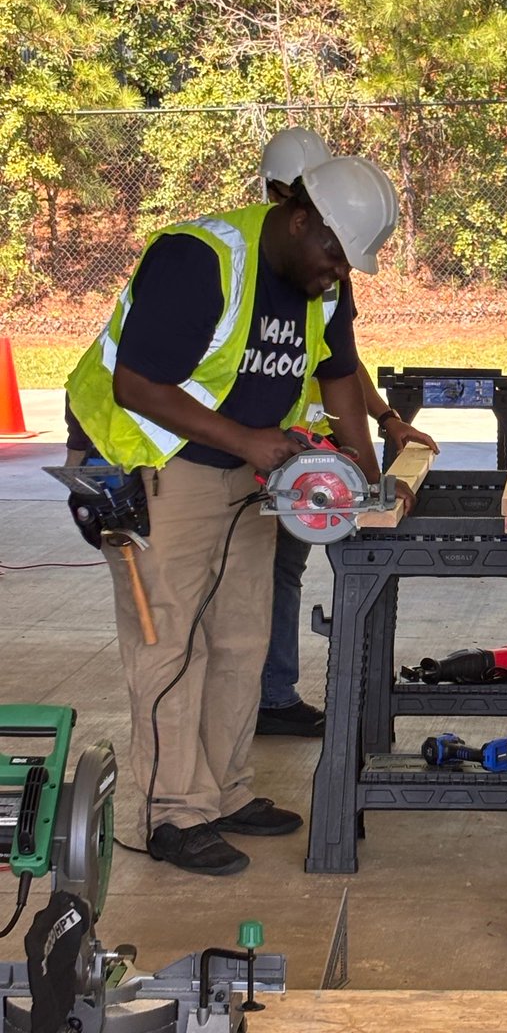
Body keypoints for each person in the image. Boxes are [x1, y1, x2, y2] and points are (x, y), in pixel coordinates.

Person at [66, 154, 415, 877]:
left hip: (248, 474)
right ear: (298, 218)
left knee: (239, 639)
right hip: (159, 468)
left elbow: (339, 375)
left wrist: (371, 477)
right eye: (332, 253)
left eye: (350, 263)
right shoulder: (200, 258)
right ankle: (172, 814)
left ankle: (223, 793)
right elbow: (137, 384)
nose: (338, 272)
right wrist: (248, 441)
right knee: (170, 646)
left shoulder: (321, 288)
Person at [254, 128, 438, 736]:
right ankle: (268, 696)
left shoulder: (328, 264)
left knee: (305, 564)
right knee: (260, 576)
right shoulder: (254, 262)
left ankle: (280, 694)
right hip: (255, 448)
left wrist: (382, 425)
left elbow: (340, 361)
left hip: (308, 449)